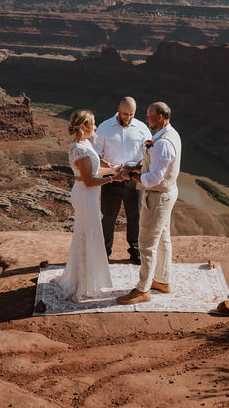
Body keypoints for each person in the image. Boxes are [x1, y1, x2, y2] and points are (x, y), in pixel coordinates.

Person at [116, 102, 181, 305]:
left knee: (146, 244)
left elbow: (154, 179)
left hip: (157, 197)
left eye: (149, 116)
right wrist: (137, 165)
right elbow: (154, 162)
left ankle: (143, 289)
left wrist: (131, 175)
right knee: (162, 238)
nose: (146, 119)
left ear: (159, 118)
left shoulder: (162, 143)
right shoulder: (171, 134)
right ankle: (162, 280)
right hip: (167, 194)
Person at [56, 109, 124, 300]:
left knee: (89, 233)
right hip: (86, 196)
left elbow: (95, 170)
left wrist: (111, 169)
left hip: (89, 196)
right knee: (88, 235)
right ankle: (84, 283)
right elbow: (89, 181)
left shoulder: (85, 143)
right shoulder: (81, 150)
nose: (95, 126)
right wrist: (113, 179)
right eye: (93, 124)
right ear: (84, 126)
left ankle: (88, 276)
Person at [93, 96, 151, 264]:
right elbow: (96, 155)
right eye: (125, 113)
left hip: (134, 180)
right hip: (111, 180)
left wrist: (136, 168)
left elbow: (148, 154)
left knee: (135, 216)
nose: (128, 117)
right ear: (118, 108)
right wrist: (112, 169)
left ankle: (135, 250)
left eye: (131, 114)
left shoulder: (142, 128)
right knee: (109, 216)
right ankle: (104, 252)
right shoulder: (104, 128)